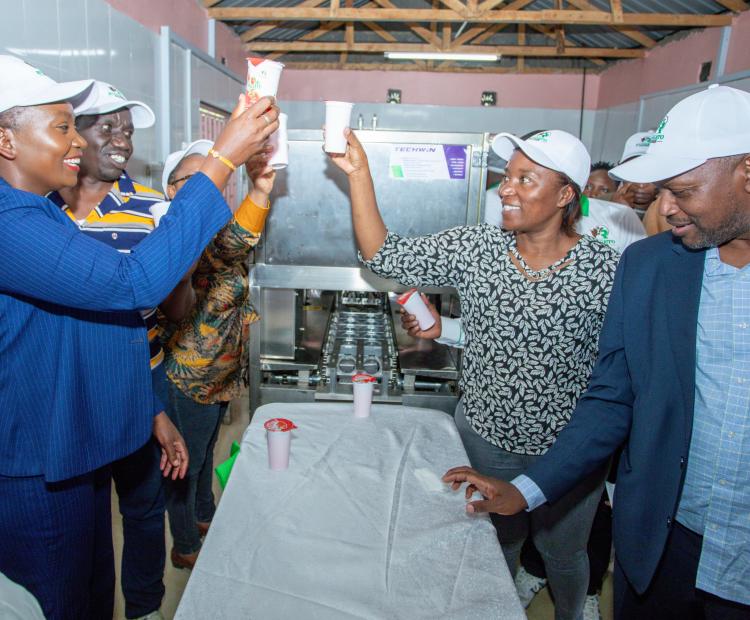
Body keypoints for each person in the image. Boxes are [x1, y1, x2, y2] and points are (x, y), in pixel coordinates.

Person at [443, 85, 750, 619]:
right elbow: (613, 396)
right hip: (663, 543)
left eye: (682, 190)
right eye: (660, 192)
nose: (665, 209)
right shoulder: (652, 266)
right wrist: (527, 491)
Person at [0, 54, 279, 619]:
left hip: (73, 451)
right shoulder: (10, 223)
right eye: (61, 127)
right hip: (35, 461)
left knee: (92, 594)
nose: (76, 140)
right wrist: (223, 157)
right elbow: (135, 285)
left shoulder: (41, 213)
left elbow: (100, 332)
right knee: (60, 601)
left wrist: (150, 412)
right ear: (6, 140)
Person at [330, 126, 619, 620]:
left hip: (567, 450)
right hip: (484, 434)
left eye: (527, 179)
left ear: (566, 194)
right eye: (508, 177)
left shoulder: (604, 268)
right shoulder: (477, 249)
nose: (506, 188)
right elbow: (385, 256)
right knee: (490, 544)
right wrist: (360, 176)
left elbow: (617, 370)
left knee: (564, 553)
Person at [48, 80, 182, 620]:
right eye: (107, 126)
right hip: (62, 381)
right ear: (72, 136)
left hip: (139, 376)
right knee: (77, 510)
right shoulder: (37, 211)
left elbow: (175, 309)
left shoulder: (154, 209)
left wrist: (182, 265)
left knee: (144, 506)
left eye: (126, 129)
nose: (122, 139)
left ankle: (146, 608)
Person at [156, 139, 276, 570]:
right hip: (188, 375)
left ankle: (204, 516)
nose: (209, 185)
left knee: (204, 454)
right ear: (172, 189)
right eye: (194, 178)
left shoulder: (211, 225)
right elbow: (231, 246)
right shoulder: (174, 232)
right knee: (183, 465)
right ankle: (185, 543)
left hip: (218, 374)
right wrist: (260, 192)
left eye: (214, 176)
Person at [611, 131, 658, 219]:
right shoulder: (601, 203)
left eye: (650, 173)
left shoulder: (676, 210)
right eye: (632, 171)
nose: (641, 185)